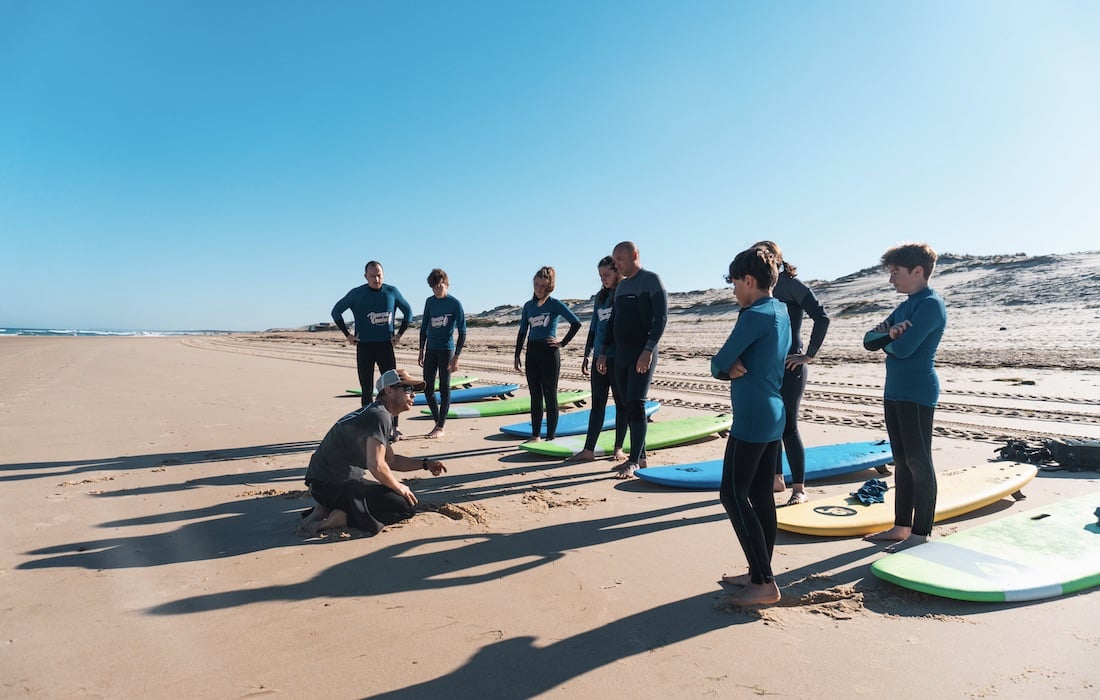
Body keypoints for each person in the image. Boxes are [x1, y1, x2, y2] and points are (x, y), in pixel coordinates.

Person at [711, 247, 791, 607]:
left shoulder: (754, 314)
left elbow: (718, 362)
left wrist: (727, 366)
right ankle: (760, 571)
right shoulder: (780, 310)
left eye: (734, 283)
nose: (733, 290)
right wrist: (732, 364)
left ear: (749, 280)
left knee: (731, 493)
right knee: (759, 495)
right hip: (774, 411)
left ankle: (763, 582)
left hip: (753, 416)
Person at [862, 243, 946, 551]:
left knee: (918, 461)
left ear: (918, 271)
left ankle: (920, 533)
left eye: (895, 273)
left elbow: (904, 349)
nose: (891, 280)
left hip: (917, 392)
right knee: (901, 461)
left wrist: (890, 339)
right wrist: (891, 335)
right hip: (894, 391)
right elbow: (868, 341)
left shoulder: (930, 304)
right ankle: (901, 526)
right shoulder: (906, 305)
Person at [299, 369, 447, 536]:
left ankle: (325, 507)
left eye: (413, 391)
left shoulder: (377, 412)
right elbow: (376, 465)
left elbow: (391, 461)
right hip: (334, 484)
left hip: (321, 483)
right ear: (389, 390)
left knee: (386, 494)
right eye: (407, 389)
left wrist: (425, 464)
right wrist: (399, 487)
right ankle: (341, 518)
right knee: (404, 507)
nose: (412, 395)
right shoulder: (380, 416)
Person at [752, 241, 831, 506]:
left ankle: (799, 487)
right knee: (771, 423)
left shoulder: (792, 286)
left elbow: (822, 317)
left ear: (773, 258)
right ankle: (776, 478)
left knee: (788, 427)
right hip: (767, 366)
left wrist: (809, 353)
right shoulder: (760, 288)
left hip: (791, 365)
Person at [596, 241, 668, 479]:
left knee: (636, 403)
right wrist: (604, 350)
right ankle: (641, 456)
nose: (617, 265)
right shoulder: (623, 286)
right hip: (621, 353)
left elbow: (660, 319)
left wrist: (648, 350)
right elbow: (613, 321)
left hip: (642, 351)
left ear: (634, 255)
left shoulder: (651, 280)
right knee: (626, 405)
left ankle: (634, 460)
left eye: (620, 260)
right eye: (615, 261)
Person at [331, 261, 413, 408]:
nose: (376, 279)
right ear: (365, 276)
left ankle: (393, 426)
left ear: (383, 274)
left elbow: (408, 312)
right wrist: (347, 335)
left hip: (385, 346)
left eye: (379, 275)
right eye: (372, 276)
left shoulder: (391, 292)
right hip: (365, 347)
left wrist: (399, 334)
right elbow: (336, 311)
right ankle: (367, 425)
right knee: (367, 389)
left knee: (392, 388)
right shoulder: (357, 294)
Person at [514, 266, 582, 442]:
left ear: (549, 287)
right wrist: (517, 355)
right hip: (532, 352)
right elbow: (522, 332)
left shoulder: (555, 304)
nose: (539, 289)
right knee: (535, 395)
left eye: (543, 286)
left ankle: (550, 437)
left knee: (550, 395)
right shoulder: (528, 306)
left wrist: (562, 343)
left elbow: (576, 323)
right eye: (536, 285)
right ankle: (535, 435)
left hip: (549, 353)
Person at [575, 256, 627, 463]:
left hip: (617, 357)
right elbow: (594, 327)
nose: (604, 279)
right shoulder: (600, 297)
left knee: (621, 404)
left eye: (607, 275)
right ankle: (588, 450)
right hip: (599, 357)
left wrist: (605, 353)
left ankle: (619, 448)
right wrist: (588, 354)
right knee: (597, 403)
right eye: (601, 276)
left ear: (618, 272)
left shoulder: (623, 294)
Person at [418, 268, 467, 439]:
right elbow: (424, 328)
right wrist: (421, 351)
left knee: (445, 387)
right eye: (433, 288)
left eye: (440, 287)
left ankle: (440, 426)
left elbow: (463, 331)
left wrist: (457, 356)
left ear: (447, 284)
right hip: (431, 349)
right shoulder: (429, 302)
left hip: (447, 350)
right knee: (427, 387)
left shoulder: (454, 304)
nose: (437, 290)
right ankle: (437, 421)